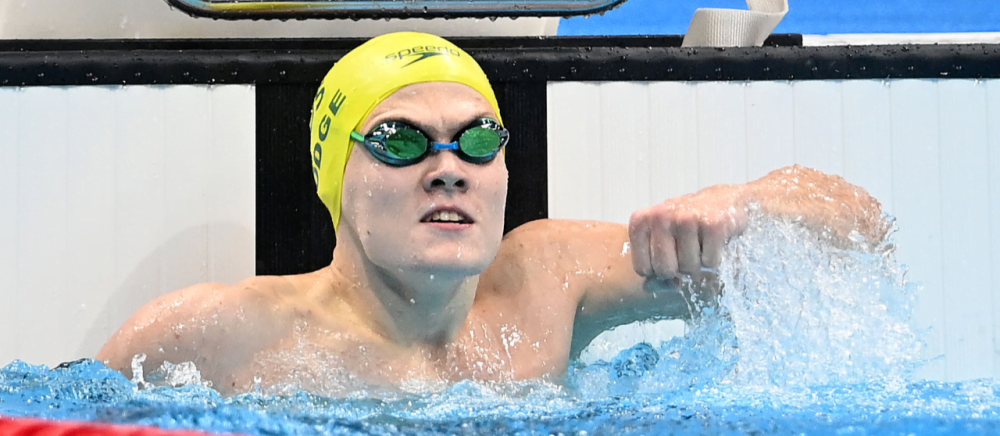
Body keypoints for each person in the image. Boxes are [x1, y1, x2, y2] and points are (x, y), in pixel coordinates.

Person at [97, 32, 887, 394]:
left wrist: (743, 204)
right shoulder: (220, 334)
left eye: (477, 139)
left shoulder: (547, 281)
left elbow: (861, 230)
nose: (449, 167)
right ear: (338, 179)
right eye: (402, 141)